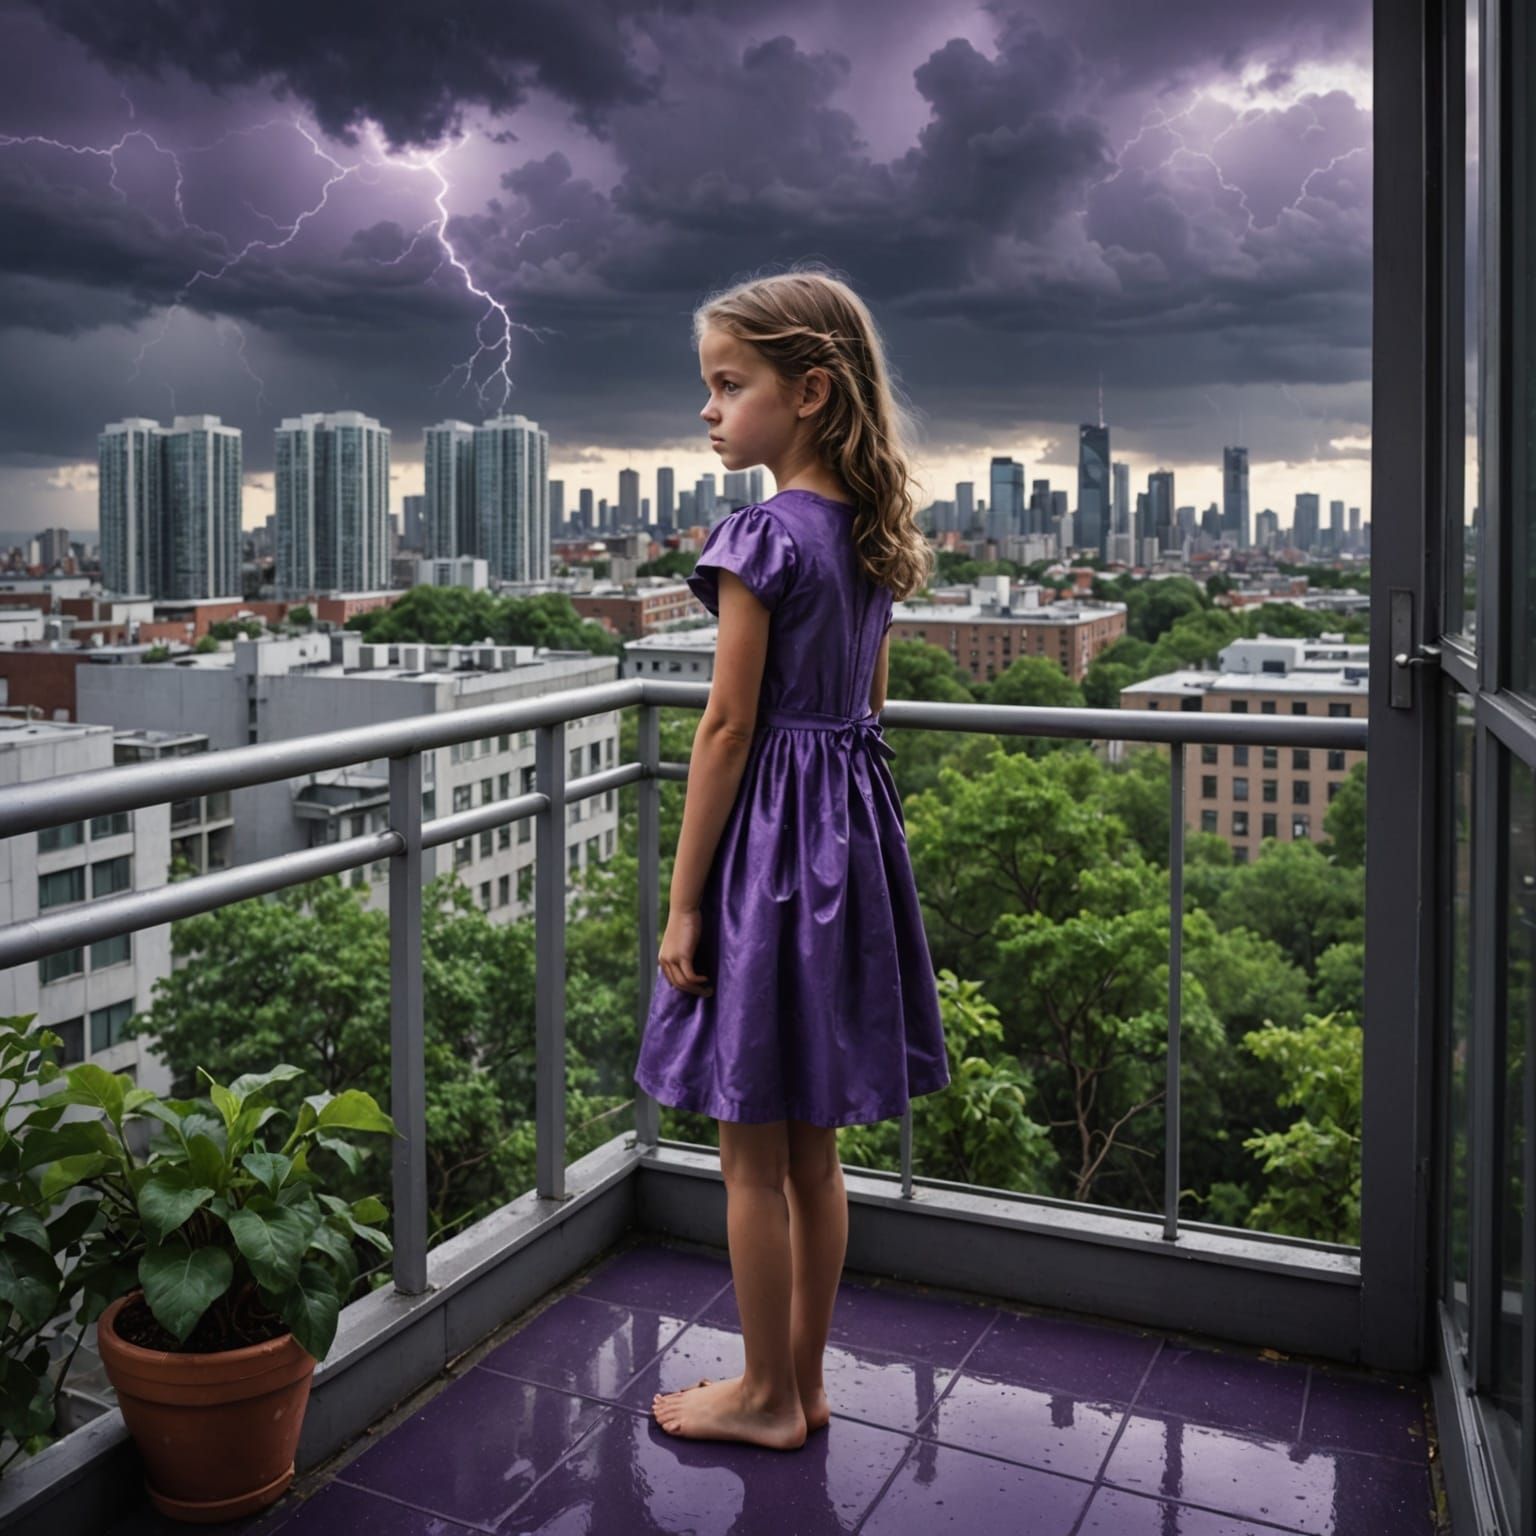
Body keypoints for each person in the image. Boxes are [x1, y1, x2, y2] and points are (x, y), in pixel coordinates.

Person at [633, 268, 951, 1451]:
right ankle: (801, 1383)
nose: (709, 411)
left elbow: (725, 727)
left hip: (766, 851)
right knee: (813, 1156)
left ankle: (767, 1394)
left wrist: (682, 904)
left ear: (809, 391)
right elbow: (868, 706)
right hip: (847, 840)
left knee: (747, 1155)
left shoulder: (760, 534)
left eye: (729, 385)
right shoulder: (869, 538)